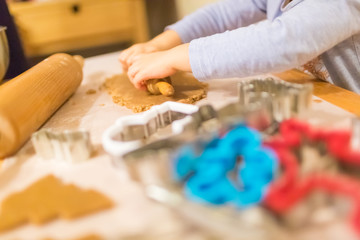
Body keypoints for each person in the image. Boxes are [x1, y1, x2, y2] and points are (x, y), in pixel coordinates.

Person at [119, 0, 360, 93]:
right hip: (324, 101)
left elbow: (279, 43)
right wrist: (161, 44)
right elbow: (223, 14)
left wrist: (174, 57)